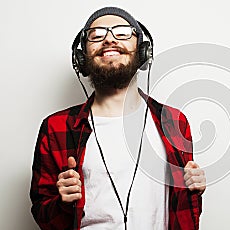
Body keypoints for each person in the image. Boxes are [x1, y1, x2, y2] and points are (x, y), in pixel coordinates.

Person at [30, 6, 205, 230]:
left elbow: (184, 214)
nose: (110, 40)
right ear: (82, 59)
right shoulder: (55, 128)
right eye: (97, 35)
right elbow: (43, 215)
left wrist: (193, 191)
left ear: (142, 52)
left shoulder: (174, 122)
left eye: (122, 32)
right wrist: (62, 202)